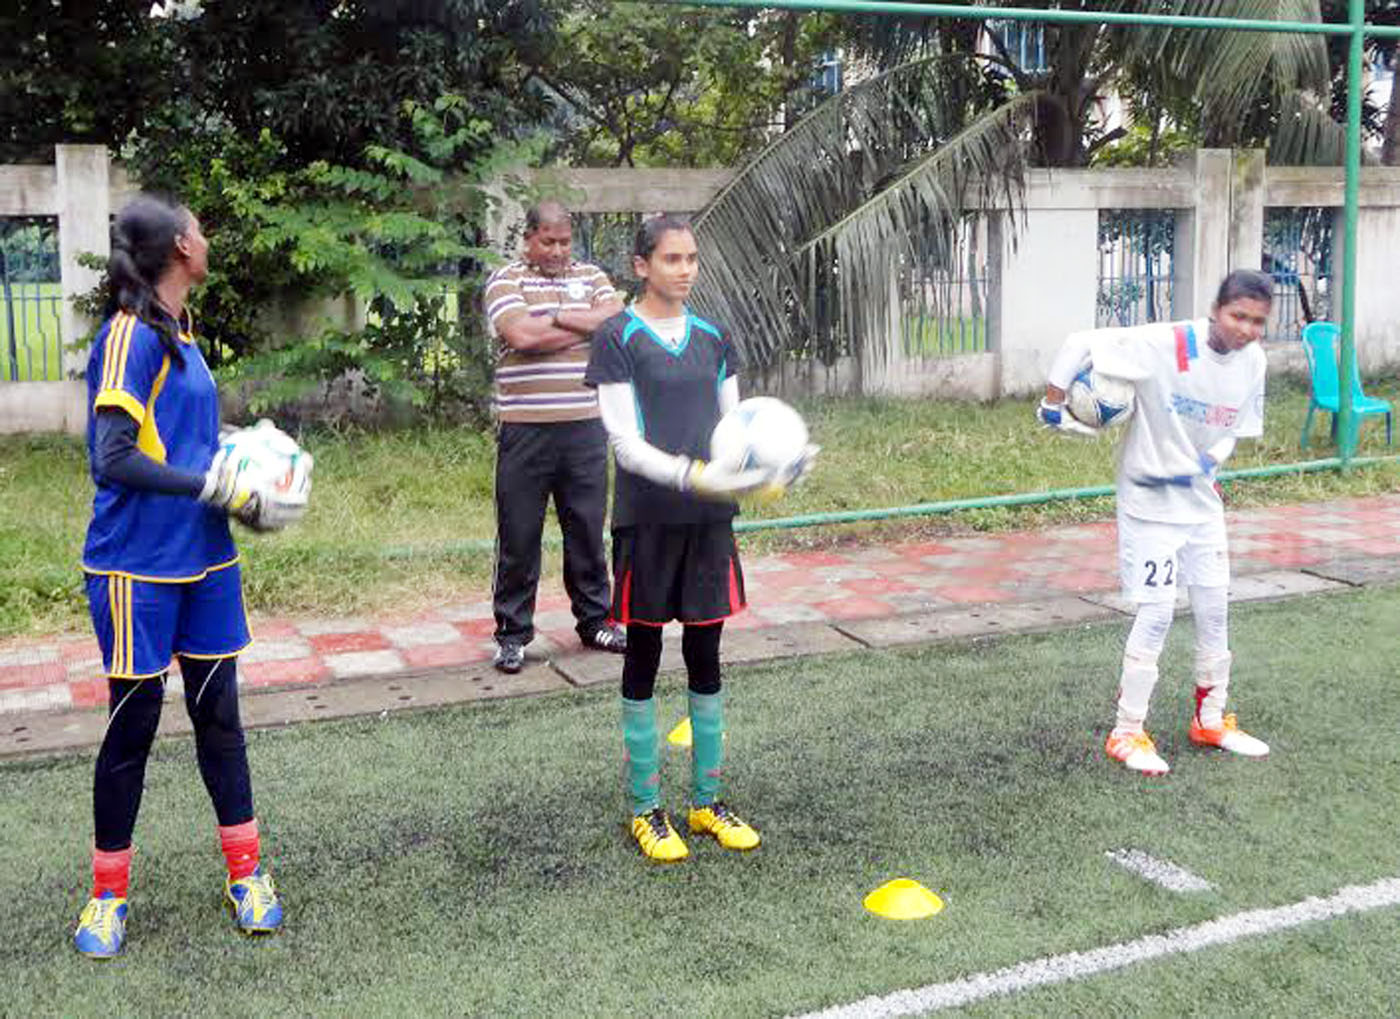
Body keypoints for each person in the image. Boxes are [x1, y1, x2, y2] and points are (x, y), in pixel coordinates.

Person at [72, 194, 300, 958]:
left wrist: (247, 450)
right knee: (132, 725)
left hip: (206, 562)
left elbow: (180, 437)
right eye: (200, 229)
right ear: (178, 245)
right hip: (135, 566)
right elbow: (112, 456)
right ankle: (107, 895)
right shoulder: (128, 336)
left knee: (221, 719)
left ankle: (247, 875)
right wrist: (212, 485)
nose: (207, 239)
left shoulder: (182, 335)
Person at [585, 215, 810, 862]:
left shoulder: (714, 337)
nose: (684, 268)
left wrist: (773, 468)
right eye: (671, 258)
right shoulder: (617, 338)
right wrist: (695, 476)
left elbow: (740, 425)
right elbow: (625, 444)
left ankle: (706, 800)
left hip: (710, 523)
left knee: (707, 655)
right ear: (641, 266)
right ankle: (644, 807)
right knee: (645, 654)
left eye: (691, 258)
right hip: (647, 519)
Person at [1038, 269, 1274, 776]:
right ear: (1216, 309)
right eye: (1238, 316)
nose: (1246, 329)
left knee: (1214, 608)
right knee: (1159, 611)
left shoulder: (1253, 361)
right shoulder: (1166, 343)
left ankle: (1210, 720)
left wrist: (1210, 463)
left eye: (1257, 321)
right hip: (1148, 502)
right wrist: (1053, 405)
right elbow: (1080, 341)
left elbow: (1235, 428)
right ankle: (1126, 732)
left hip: (1201, 504)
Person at [483, 200, 628, 674]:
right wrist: (578, 319)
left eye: (564, 241)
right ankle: (512, 635)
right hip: (525, 432)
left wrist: (554, 317)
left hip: (586, 427)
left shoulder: (592, 276)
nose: (558, 250)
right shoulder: (505, 279)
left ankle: (595, 622)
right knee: (519, 536)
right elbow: (521, 335)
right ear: (529, 238)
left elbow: (615, 320)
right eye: (548, 241)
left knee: (586, 530)